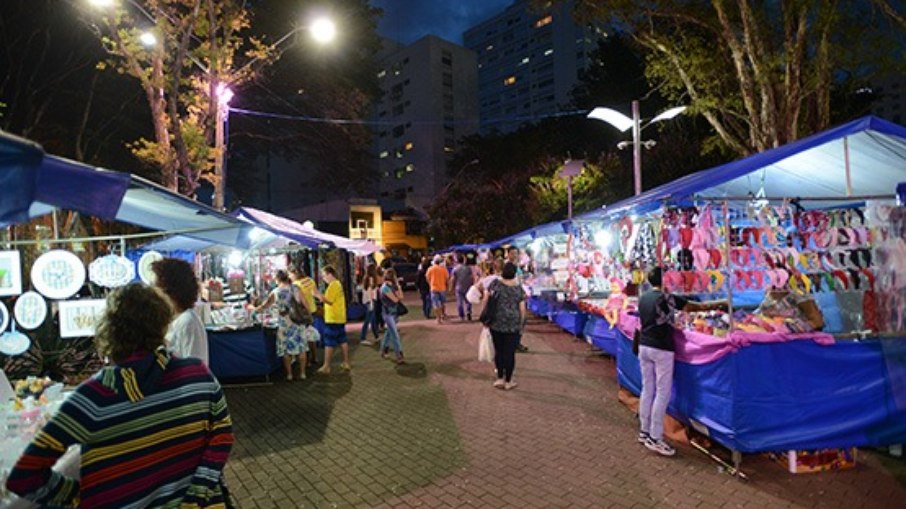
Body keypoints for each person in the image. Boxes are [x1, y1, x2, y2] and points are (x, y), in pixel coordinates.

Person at [6, 283, 234, 508]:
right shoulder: (199, 375)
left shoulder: (91, 399)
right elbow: (222, 436)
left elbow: (25, 476)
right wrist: (198, 493)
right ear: (162, 324)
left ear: (109, 329)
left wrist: (81, 497)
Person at [637, 267, 725, 456]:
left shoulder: (643, 297)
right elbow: (695, 307)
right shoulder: (666, 298)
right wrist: (722, 303)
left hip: (644, 346)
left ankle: (644, 431)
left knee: (647, 388)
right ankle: (655, 437)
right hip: (661, 348)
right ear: (666, 279)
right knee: (662, 392)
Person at [152, 257, 209, 365]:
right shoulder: (173, 320)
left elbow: (194, 367)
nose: (154, 291)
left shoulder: (187, 321)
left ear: (168, 289)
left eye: (156, 286)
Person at [254, 270, 309, 381]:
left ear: (278, 279)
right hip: (297, 321)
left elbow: (265, 305)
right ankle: (302, 373)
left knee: (285, 349)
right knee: (301, 348)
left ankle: (289, 375)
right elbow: (306, 304)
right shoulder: (296, 289)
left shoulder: (276, 292)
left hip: (284, 323)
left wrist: (254, 310)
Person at [486, 262, 526, 390]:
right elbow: (522, 309)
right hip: (513, 324)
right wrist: (521, 323)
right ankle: (508, 380)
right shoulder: (518, 289)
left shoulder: (495, 284)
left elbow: (486, 300)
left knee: (499, 350)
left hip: (496, 322)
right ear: (514, 274)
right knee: (509, 353)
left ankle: (499, 378)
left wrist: (486, 318)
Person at [314, 265, 351, 373]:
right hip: (339, 317)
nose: (323, 278)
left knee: (329, 342)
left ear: (330, 274)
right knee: (342, 340)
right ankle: (346, 362)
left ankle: (327, 366)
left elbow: (328, 300)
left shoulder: (333, 285)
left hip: (333, 318)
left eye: (324, 276)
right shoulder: (338, 284)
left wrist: (317, 294)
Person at [289, 264, 319, 367]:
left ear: (294, 273)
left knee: (304, 337)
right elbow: (314, 293)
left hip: (303, 313)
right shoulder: (310, 280)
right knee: (311, 335)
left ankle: (308, 361)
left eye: (290, 274)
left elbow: (299, 300)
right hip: (313, 310)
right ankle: (314, 357)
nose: (289, 276)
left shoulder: (296, 284)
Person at [379, 268, 406, 364]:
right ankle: (399, 355)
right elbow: (395, 300)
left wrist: (398, 287)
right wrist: (397, 291)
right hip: (388, 314)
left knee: (389, 332)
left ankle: (384, 349)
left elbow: (401, 297)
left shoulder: (393, 286)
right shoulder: (385, 288)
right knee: (395, 334)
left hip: (394, 313)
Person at [360, 264, 381, 345]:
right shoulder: (371, 279)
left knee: (373, 320)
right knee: (368, 320)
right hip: (370, 301)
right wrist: (371, 302)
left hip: (368, 301)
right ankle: (363, 337)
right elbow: (369, 291)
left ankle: (376, 336)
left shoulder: (366, 278)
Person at [426, 255, 450, 324]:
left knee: (435, 304)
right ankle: (443, 314)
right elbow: (447, 279)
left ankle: (438, 319)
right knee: (442, 303)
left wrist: (430, 284)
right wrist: (448, 286)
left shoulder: (430, 269)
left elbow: (427, 278)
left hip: (433, 288)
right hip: (442, 288)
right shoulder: (443, 269)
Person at [452, 254, 477, 321]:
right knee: (468, 300)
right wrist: (473, 284)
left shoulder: (455, 269)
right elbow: (472, 277)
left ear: (457, 260)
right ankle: (468, 311)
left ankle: (461, 315)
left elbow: (453, 279)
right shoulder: (468, 268)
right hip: (467, 286)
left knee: (459, 302)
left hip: (459, 286)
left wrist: (452, 287)